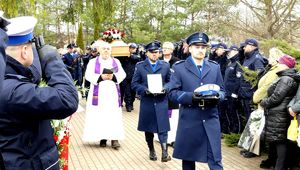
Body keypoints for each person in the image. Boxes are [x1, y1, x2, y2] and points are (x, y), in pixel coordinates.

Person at [0, 16, 78, 169]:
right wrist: (52, 61)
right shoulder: (14, 91)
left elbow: (28, 77)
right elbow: (67, 99)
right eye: (31, 47)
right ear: (24, 51)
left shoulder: (8, 81)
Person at [168, 32, 225, 170]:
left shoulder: (214, 67)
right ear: (190, 48)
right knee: (188, 160)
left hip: (210, 118)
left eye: (203, 47)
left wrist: (218, 96)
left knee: (216, 160)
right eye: (197, 46)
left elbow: (223, 91)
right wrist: (192, 97)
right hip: (189, 119)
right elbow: (172, 93)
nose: (200, 50)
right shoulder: (179, 67)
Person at [131, 41, 171, 162]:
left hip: (161, 100)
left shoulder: (165, 65)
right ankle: (151, 150)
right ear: (147, 53)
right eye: (152, 52)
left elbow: (171, 81)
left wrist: (166, 88)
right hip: (147, 101)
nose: (155, 54)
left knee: (163, 127)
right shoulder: (140, 66)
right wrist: (144, 90)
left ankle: (165, 152)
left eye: (157, 52)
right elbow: (134, 84)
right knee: (148, 128)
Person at [82, 42, 126, 149]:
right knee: (100, 114)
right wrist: (101, 77)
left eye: (108, 49)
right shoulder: (93, 62)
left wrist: (113, 77)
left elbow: (122, 74)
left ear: (111, 51)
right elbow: (88, 74)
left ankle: (114, 139)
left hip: (112, 92)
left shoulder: (116, 61)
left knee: (113, 114)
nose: (106, 50)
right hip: (99, 92)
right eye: (104, 49)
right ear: (100, 50)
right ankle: (102, 138)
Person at [260, 54, 298, 170]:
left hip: (279, 114)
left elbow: (277, 97)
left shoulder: (286, 79)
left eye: (280, 63)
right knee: (278, 142)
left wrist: (263, 102)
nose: (278, 64)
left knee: (280, 142)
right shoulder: (285, 77)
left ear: (285, 65)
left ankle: (280, 167)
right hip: (279, 113)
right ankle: (277, 164)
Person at [223, 45, 242, 134]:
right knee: (228, 112)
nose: (228, 53)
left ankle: (236, 132)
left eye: (230, 51)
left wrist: (235, 93)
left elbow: (238, 80)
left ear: (235, 51)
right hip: (227, 92)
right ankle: (230, 130)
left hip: (233, 93)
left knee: (234, 113)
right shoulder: (230, 63)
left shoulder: (237, 63)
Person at [119, 43, 140, 112]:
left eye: (134, 48)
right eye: (132, 48)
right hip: (125, 77)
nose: (134, 49)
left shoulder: (137, 55)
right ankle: (128, 105)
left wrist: (129, 55)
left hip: (133, 77)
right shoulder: (123, 56)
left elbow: (135, 58)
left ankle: (131, 104)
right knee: (127, 92)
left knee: (133, 92)